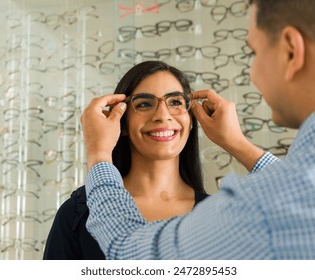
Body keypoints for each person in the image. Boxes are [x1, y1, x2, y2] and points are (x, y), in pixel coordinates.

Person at [81, 0, 315, 259]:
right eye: (144, 104)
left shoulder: (266, 206)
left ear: (290, 50)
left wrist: (98, 154)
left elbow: (130, 254)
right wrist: (237, 143)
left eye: (254, 53)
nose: (162, 115)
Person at [43, 61, 209, 259]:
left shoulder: (224, 214)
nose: (163, 116)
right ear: (120, 123)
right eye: (144, 104)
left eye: (175, 102)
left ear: (191, 120)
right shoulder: (78, 213)